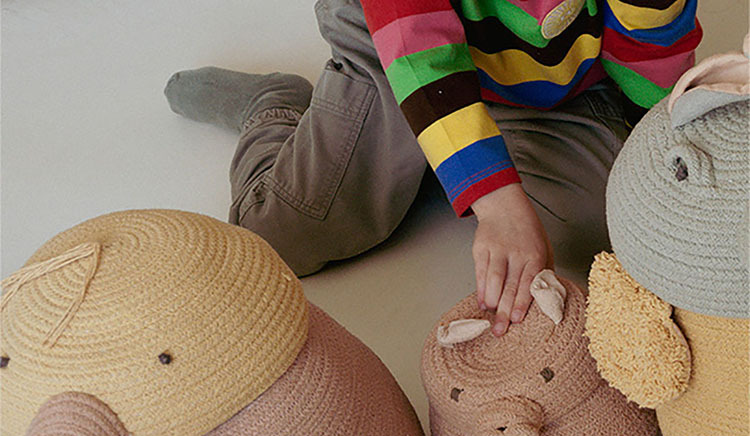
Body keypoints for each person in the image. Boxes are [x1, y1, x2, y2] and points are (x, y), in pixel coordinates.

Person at [165, 0, 701, 336]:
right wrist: (498, 204)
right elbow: (418, 50)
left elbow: (650, 48)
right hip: (401, 51)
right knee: (282, 235)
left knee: (615, 239)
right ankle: (275, 105)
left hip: (558, 79)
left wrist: (663, 147)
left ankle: (441, 152)